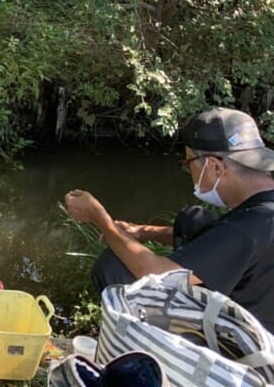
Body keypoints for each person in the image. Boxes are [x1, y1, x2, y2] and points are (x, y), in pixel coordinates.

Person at [63, 107, 274, 331]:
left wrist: (100, 219)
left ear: (214, 166)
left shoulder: (245, 228)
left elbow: (152, 270)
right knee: (193, 221)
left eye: (188, 164)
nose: (189, 173)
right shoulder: (261, 212)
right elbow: (220, 242)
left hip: (246, 350)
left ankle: (139, 350)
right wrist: (144, 232)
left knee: (113, 265)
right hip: (258, 314)